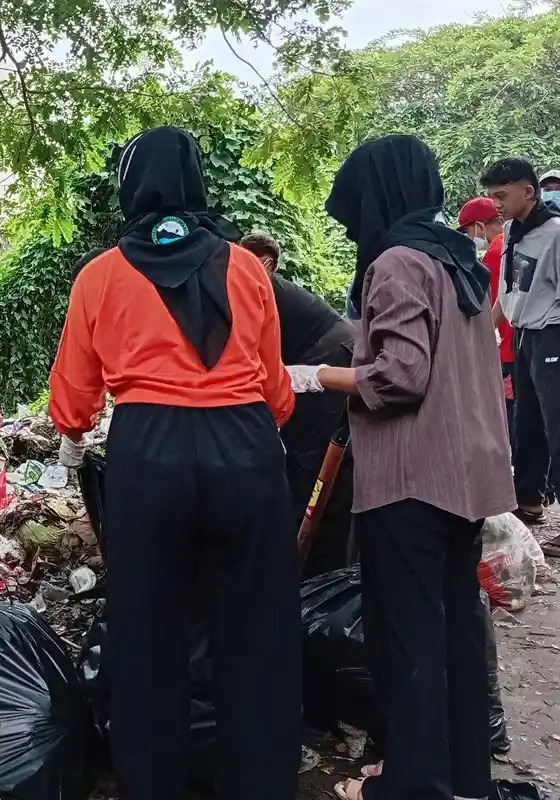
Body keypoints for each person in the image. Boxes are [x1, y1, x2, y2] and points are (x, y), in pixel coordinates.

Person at [49, 127, 299, 800]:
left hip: (149, 454)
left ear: (131, 186)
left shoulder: (101, 276)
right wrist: (237, 423)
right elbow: (276, 392)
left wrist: (76, 431)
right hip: (244, 450)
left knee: (148, 630)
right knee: (253, 629)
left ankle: (152, 781)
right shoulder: (247, 269)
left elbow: (72, 399)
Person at [290, 134, 513, 800]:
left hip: (412, 479)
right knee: (454, 629)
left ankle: (413, 785)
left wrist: (315, 375)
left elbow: (398, 378)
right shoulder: (458, 258)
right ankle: (462, 773)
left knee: (408, 637)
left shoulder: (395, 262)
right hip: (466, 476)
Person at [239, 231, 356, 576]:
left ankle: (314, 575)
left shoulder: (233, 278)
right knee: (307, 463)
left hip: (323, 358)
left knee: (311, 469)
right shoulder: (220, 271)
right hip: (316, 355)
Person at [480, 158, 560, 526]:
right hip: (525, 333)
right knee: (526, 423)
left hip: (552, 333)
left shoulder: (556, 233)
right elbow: (508, 293)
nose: (495, 203)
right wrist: (482, 333)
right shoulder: (511, 231)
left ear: (528, 191)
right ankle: (528, 499)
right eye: (491, 196)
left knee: (556, 424)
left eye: (501, 194)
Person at [458, 197, 514, 435]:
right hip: (527, 342)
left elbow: (496, 303)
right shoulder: (516, 241)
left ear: (478, 226)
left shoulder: (496, 250)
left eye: (465, 230)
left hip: (510, 349)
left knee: (509, 421)